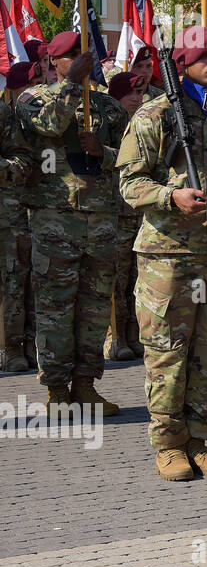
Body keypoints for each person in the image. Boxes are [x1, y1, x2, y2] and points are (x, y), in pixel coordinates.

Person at [117, 30, 207, 480]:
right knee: (167, 351)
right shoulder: (155, 114)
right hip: (168, 255)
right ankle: (168, 445)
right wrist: (169, 197)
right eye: (204, 56)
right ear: (183, 63)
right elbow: (130, 183)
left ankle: (200, 439)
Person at [17, 31, 128, 415]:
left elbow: (133, 157)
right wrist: (69, 84)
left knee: (95, 307)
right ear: (53, 62)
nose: (83, 62)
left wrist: (105, 152)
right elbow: (48, 125)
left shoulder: (109, 107)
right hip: (55, 220)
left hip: (100, 221)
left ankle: (85, 385)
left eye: (86, 56)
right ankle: (56, 390)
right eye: (71, 57)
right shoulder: (33, 100)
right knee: (55, 308)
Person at [104, 72, 150, 361]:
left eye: (140, 92)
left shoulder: (145, 122)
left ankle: (135, 335)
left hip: (138, 211)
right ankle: (116, 337)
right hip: (115, 212)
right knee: (117, 277)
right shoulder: (109, 122)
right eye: (130, 93)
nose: (136, 98)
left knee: (137, 277)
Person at [0, 63, 35, 373]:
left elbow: (22, 159)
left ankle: (14, 349)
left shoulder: (3, 114)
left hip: (7, 217)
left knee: (14, 282)